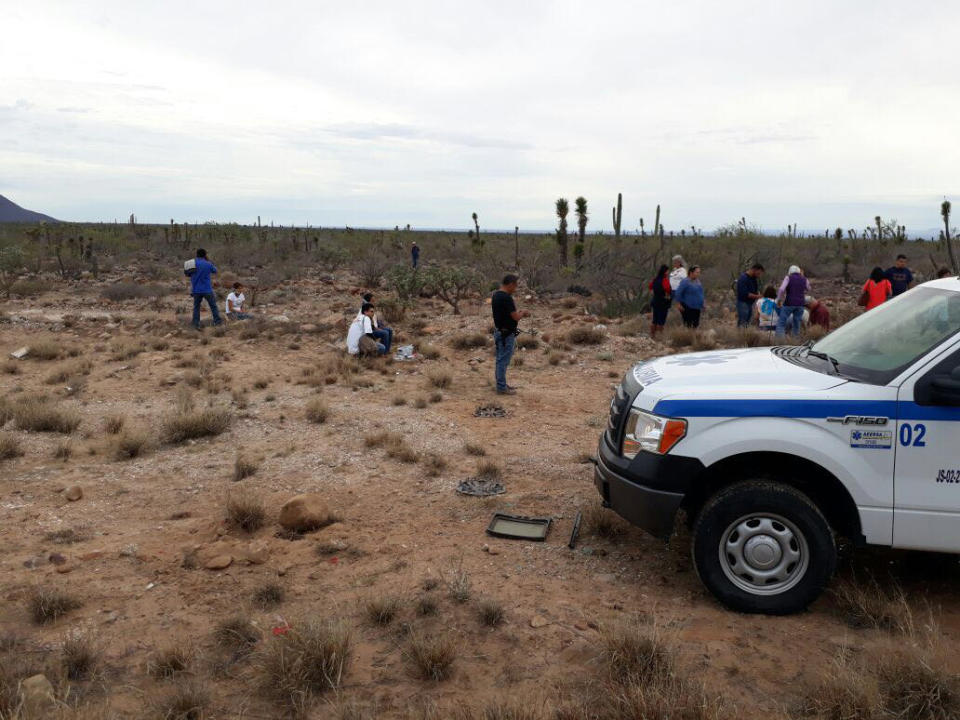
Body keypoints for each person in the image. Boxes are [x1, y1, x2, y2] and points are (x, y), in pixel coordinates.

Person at [491, 274, 529, 395]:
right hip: (506, 335)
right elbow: (515, 316)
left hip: (499, 332)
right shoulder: (506, 298)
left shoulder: (496, 295)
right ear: (511, 284)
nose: (516, 288)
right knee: (503, 360)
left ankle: (501, 384)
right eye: (516, 285)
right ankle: (501, 387)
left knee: (500, 359)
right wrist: (523, 313)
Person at [189, 248, 222, 330]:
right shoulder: (208, 263)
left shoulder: (191, 263)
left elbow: (187, 273)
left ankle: (195, 324)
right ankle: (218, 322)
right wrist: (207, 260)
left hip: (196, 289)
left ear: (196, 254)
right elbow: (215, 271)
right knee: (213, 306)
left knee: (196, 307)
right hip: (207, 289)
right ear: (205, 255)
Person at [775, 265, 809, 337]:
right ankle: (794, 341)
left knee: (781, 323)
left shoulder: (788, 278)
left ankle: (780, 342)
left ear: (790, 271)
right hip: (800, 304)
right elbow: (808, 288)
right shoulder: (804, 279)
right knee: (796, 323)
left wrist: (778, 299)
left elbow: (781, 289)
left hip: (789, 303)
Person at [648, 264, 671, 336]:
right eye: (667, 271)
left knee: (655, 319)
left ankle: (652, 335)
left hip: (655, 301)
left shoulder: (655, 279)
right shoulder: (665, 280)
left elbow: (650, 287)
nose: (668, 272)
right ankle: (660, 337)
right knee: (661, 321)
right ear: (665, 272)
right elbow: (668, 289)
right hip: (663, 302)